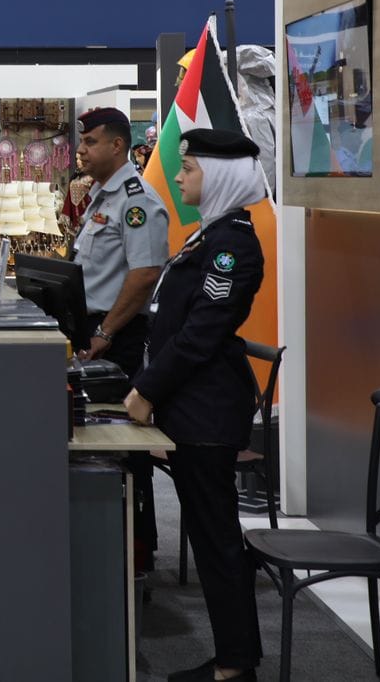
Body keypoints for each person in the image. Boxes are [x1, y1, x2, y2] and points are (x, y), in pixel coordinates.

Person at [124, 128, 267, 682]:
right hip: (190, 407)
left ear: (222, 175)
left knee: (216, 541)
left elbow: (200, 335)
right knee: (211, 539)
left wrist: (146, 390)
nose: (179, 177)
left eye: (189, 169)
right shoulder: (208, 236)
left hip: (205, 413)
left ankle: (234, 665)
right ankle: (236, 657)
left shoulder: (233, 246)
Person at [70, 106, 170, 573]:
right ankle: (104, 548)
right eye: (82, 141)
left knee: (123, 444)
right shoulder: (100, 197)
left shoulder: (136, 201)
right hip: (94, 334)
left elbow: (145, 273)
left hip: (117, 338)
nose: (82, 150)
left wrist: (105, 332)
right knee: (94, 441)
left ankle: (137, 553)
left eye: (90, 142)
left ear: (117, 145)